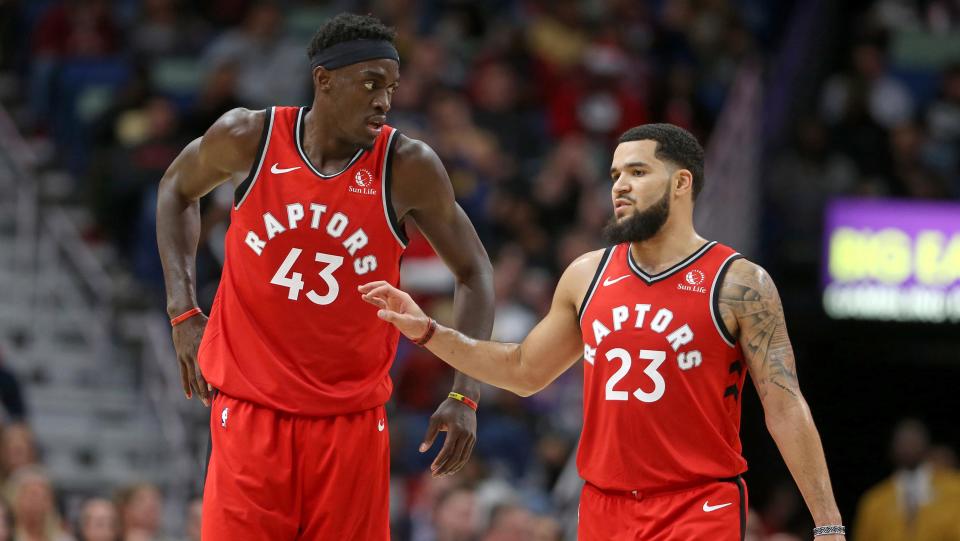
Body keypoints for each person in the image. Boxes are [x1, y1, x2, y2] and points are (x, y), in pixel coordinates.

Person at [361, 124, 847, 540]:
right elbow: (524, 371)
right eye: (615, 174)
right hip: (604, 507)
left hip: (697, 506)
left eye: (637, 172)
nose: (619, 186)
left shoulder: (739, 283)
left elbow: (785, 407)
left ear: (681, 183)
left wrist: (827, 524)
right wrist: (429, 331)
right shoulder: (587, 275)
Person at [155, 12, 494, 540]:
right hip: (251, 413)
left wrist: (465, 392)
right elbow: (176, 191)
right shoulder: (250, 136)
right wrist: (182, 311)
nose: (384, 100)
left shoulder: (406, 165)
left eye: (392, 87)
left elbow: (474, 271)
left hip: (350, 423)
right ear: (324, 80)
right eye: (371, 83)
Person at [852, 419, 960, 541]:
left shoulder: (954, 489)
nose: (909, 446)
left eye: (914, 440)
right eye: (904, 442)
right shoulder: (874, 502)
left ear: (927, 444)